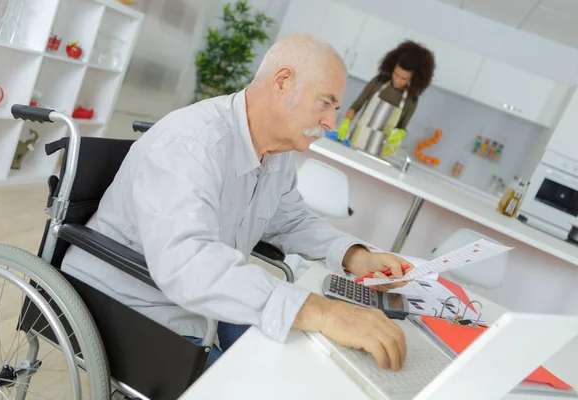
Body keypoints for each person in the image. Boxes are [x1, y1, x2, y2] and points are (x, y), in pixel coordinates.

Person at [61, 33, 417, 371]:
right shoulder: (193, 144)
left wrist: (356, 256)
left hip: (201, 306)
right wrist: (322, 312)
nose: (331, 122)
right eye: (325, 103)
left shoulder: (275, 155)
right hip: (126, 306)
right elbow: (187, 264)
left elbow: (291, 221)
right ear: (282, 82)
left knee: (297, 363)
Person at [337, 40, 435, 154]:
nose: (397, 80)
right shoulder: (378, 82)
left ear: (413, 79)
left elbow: (402, 127)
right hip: (354, 141)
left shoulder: (411, 100)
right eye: (396, 74)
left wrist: (400, 135)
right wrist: (346, 122)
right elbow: (357, 105)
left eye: (403, 78)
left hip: (379, 152)